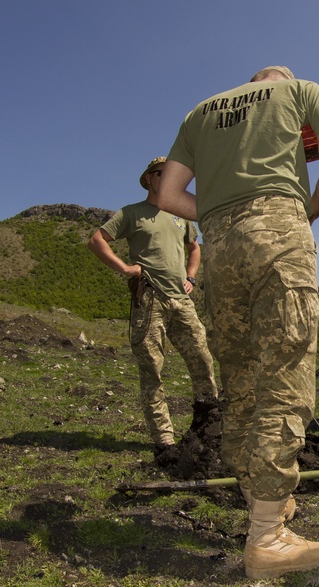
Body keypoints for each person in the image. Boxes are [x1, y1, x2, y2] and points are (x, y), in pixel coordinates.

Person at [157, 65, 319, 580]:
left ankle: (258, 500)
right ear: (280, 79)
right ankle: (267, 536)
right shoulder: (302, 90)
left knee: (239, 377)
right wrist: (290, 216)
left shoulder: (200, 111)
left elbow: (169, 197)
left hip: (219, 245)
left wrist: (222, 215)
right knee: (286, 377)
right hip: (278, 232)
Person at [88, 157, 219, 452]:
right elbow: (97, 239)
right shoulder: (132, 213)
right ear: (149, 179)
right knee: (152, 369)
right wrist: (124, 268)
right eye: (163, 173)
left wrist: (191, 277)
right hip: (150, 299)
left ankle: (210, 426)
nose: (170, 177)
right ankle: (164, 440)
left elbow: (194, 248)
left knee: (202, 359)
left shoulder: (181, 215)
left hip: (181, 299)